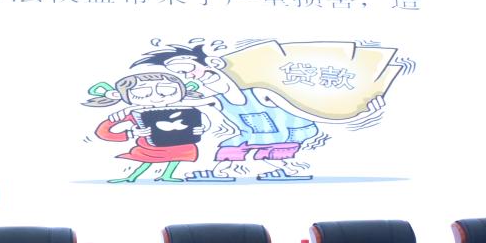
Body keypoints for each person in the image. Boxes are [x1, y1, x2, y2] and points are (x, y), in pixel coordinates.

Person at [132, 43, 384, 181]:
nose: (189, 77)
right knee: (230, 148)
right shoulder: (217, 100)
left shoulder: (261, 93)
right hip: (252, 134)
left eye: (188, 69)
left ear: (214, 64)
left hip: (289, 132)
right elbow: (176, 102)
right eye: (180, 74)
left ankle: (288, 169)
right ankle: (223, 172)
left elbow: (308, 112)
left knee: (268, 152)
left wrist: (354, 116)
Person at [84, 72, 214, 183]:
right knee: (148, 160)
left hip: (182, 145)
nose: (157, 97)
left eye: (167, 90)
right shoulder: (134, 113)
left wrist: (202, 128)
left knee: (177, 158)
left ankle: (167, 175)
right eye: (142, 93)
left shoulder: (188, 110)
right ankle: (132, 177)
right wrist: (131, 133)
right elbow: (103, 132)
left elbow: (204, 120)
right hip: (151, 147)